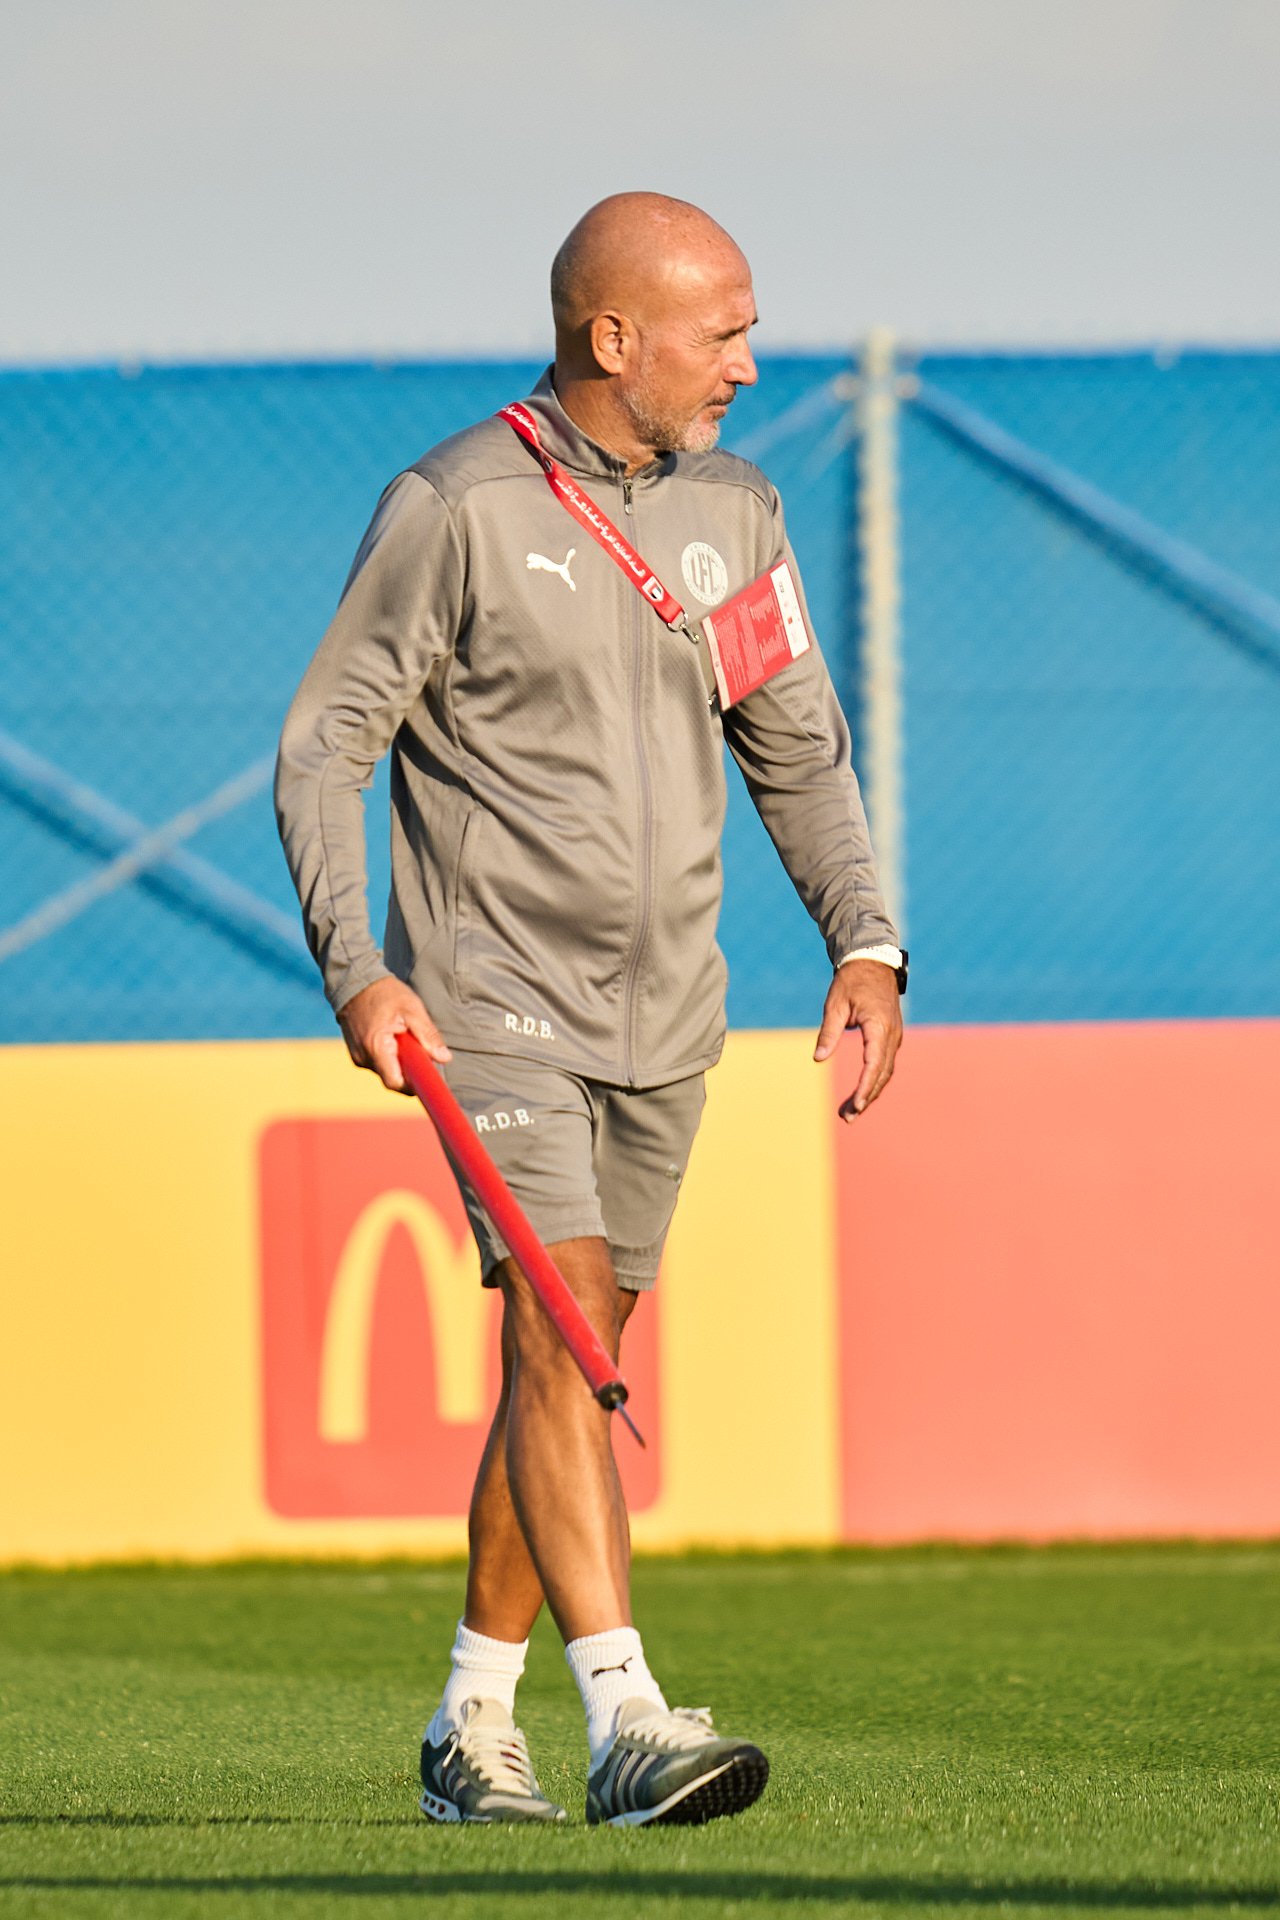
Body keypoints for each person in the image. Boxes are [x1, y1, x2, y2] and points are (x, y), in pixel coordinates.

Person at [275, 192, 905, 1829]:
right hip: (490, 1003)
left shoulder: (740, 516)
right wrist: (356, 964)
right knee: (559, 1330)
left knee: (570, 1353)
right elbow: (326, 745)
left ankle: (469, 1720)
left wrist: (865, 940)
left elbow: (796, 746)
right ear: (613, 337)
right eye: (725, 332)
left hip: (670, 1017)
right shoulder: (454, 508)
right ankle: (627, 1718)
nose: (751, 365)